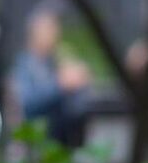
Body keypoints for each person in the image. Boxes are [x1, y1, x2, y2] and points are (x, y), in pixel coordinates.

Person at [11, 12, 90, 145]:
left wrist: (79, 83)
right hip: (36, 144)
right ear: (35, 34)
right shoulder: (24, 65)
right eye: (50, 30)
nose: (55, 35)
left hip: (63, 140)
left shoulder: (55, 62)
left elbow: (77, 108)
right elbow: (26, 104)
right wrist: (59, 85)